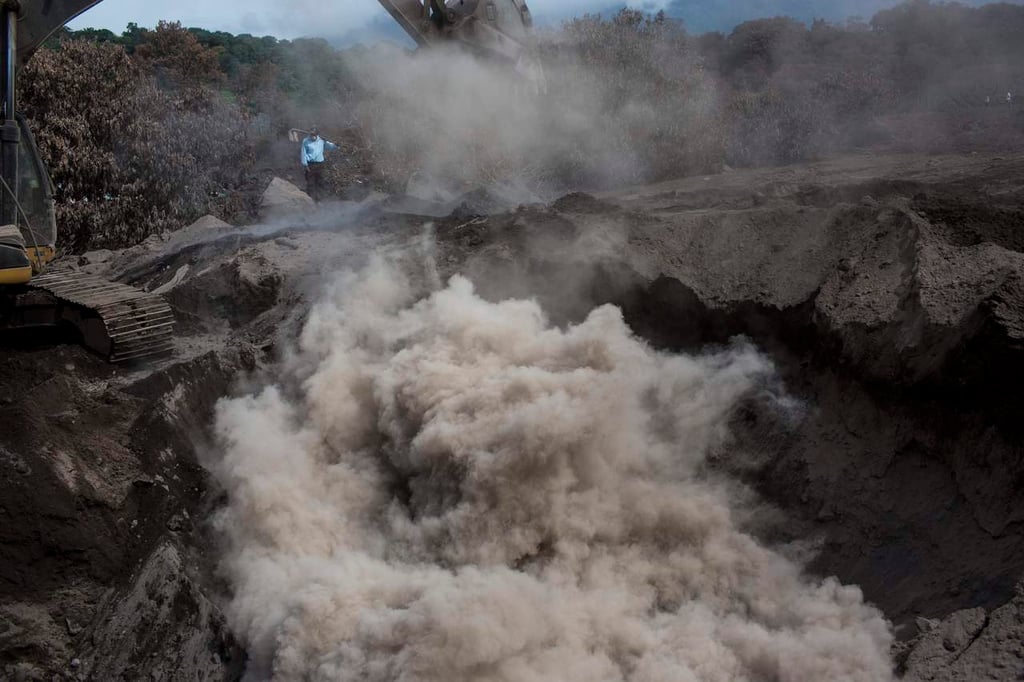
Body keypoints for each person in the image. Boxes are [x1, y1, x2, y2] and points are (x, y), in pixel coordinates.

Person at [300, 126, 339, 201]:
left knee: (320, 182)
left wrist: (336, 146)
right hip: (310, 165)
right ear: (309, 134)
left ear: (317, 134)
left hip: (320, 164)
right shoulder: (305, 141)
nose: (313, 137)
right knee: (310, 183)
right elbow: (303, 153)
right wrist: (305, 164)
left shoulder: (321, 140)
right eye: (311, 135)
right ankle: (310, 200)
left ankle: (320, 200)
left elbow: (329, 146)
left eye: (314, 135)